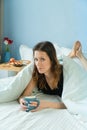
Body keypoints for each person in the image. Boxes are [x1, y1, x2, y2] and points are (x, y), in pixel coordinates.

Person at [18, 41, 87, 112]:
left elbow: (72, 104)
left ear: (51, 60)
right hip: (56, 63)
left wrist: (45, 104)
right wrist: (22, 101)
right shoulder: (37, 74)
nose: (38, 64)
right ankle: (71, 54)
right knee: (59, 61)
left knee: (61, 63)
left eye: (42, 59)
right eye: (36, 59)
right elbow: (24, 95)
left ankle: (79, 55)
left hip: (65, 71)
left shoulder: (64, 73)